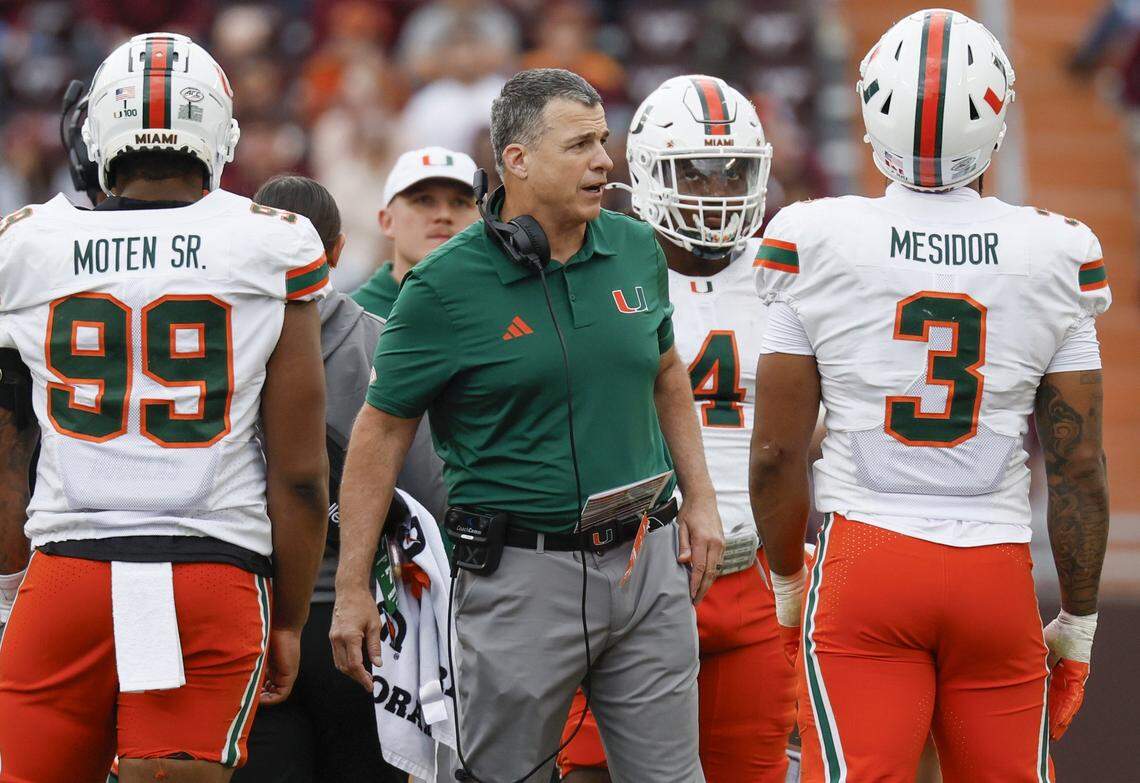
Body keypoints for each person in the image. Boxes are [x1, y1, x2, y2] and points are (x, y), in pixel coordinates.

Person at [330, 68, 724, 782]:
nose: (605, 161)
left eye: (604, 142)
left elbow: (667, 370)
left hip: (646, 559)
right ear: (517, 160)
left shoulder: (636, 247)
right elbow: (379, 431)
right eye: (580, 145)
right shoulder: (442, 286)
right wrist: (354, 584)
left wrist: (701, 497)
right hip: (520, 577)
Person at [750, 10, 1110, 782]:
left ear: (874, 107)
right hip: (996, 570)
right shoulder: (1056, 248)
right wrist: (1076, 625)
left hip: (865, 559)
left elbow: (778, 452)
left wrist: (786, 584)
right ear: (995, 114)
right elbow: (1080, 465)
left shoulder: (816, 236)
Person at [0, 33, 330, 782]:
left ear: (98, 126)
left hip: (66, 577)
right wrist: (288, 617)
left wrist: (8, 583)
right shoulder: (267, 243)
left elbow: (5, 449)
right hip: (208, 573)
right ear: (218, 129)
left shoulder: (26, 246)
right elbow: (302, 474)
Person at [557, 75, 796, 783]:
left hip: (749, 562)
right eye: (695, 169)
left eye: (733, 173)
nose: (716, 189)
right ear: (651, 171)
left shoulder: (788, 272)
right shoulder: (603, 261)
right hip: (627, 559)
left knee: (744, 771)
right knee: (589, 770)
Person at [230, 175, 403, 783]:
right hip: (360, 618)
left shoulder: (213, 334)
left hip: (243, 609)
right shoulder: (384, 344)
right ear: (335, 251)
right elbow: (427, 499)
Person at [352, 146, 480, 322]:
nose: (444, 215)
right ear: (387, 221)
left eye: (459, 202)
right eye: (424, 200)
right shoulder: (351, 320)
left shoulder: (503, 309)